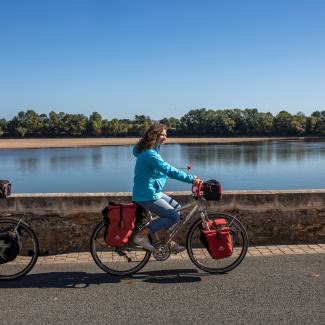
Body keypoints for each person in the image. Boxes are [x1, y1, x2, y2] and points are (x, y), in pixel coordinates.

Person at [132, 123, 202, 252]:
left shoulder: (150, 151)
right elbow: (169, 170)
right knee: (173, 216)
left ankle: (169, 241)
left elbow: (160, 168)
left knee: (178, 209)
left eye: (166, 135)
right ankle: (140, 236)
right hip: (146, 194)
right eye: (163, 134)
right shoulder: (150, 155)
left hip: (152, 192)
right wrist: (191, 179)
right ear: (155, 135)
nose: (165, 138)